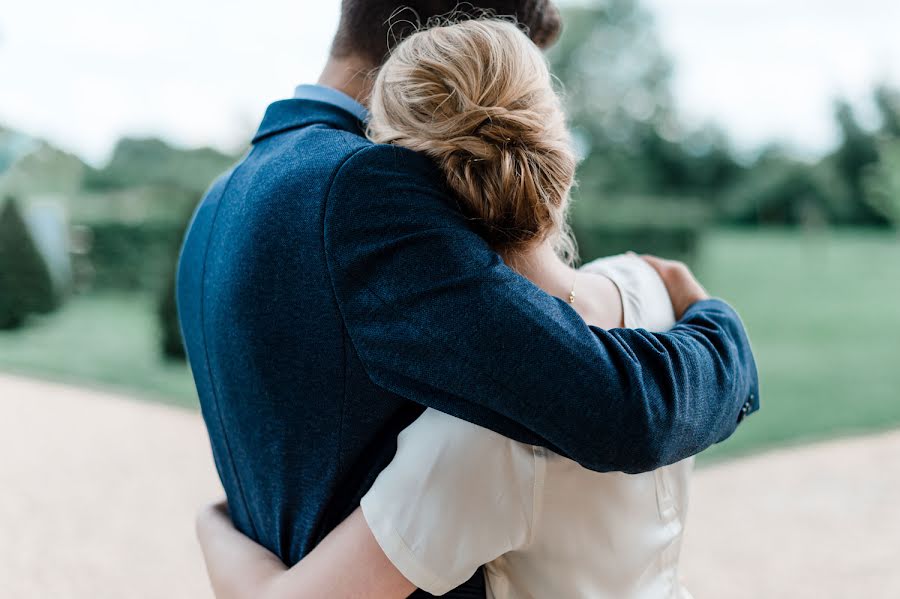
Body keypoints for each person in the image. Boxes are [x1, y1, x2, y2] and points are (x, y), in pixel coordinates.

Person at [176, 2, 759, 598]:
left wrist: (212, 529)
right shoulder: (367, 183)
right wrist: (722, 334)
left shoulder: (219, 204)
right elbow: (613, 409)